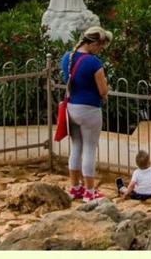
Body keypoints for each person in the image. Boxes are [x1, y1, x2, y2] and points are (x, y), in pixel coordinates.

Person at [61, 26, 112, 201]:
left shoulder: (67, 57)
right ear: (93, 43)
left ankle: (75, 187)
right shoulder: (93, 63)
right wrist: (106, 90)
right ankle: (90, 192)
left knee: (76, 147)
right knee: (90, 149)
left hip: (72, 108)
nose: (100, 50)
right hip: (90, 110)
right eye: (99, 46)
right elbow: (103, 90)